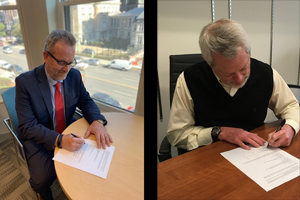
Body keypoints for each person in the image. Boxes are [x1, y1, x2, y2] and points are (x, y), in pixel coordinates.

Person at [167, 19, 300, 152]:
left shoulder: (266, 73)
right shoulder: (189, 79)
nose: (239, 79)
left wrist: (289, 128)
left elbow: (291, 106)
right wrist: (220, 132)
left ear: (249, 53)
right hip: (206, 156)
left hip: (254, 153)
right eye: (228, 73)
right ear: (208, 63)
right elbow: (177, 134)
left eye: (244, 68)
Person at [15, 30, 113, 200]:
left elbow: (86, 101)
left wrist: (97, 121)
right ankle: (44, 195)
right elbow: (27, 126)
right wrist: (59, 140)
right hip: (40, 138)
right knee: (41, 181)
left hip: (68, 129)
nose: (66, 69)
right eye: (61, 62)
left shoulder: (74, 75)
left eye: (71, 62)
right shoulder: (25, 83)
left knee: (90, 163)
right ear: (46, 56)